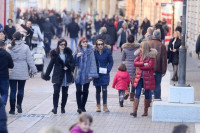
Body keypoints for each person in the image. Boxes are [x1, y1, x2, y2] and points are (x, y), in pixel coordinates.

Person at [8, 32, 37, 114]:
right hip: (22, 70)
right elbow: (29, 60)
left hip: (12, 70)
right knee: (21, 89)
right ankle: (19, 105)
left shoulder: (9, 47)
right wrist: (34, 70)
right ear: (21, 38)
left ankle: (12, 109)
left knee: (13, 90)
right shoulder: (25, 47)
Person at [43, 39, 75, 114]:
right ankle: (55, 107)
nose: (63, 46)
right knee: (56, 91)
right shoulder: (54, 54)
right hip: (57, 75)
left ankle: (63, 107)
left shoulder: (69, 53)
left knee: (65, 93)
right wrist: (46, 75)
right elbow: (50, 65)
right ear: (58, 45)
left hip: (66, 75)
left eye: (64, 44)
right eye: (61, 44)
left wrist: (69, 67)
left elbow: (73, 63)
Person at [130, 42, 157, 117]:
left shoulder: (151, 55)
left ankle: (146, 111)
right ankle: (134, 111)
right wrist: (143, 64)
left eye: (141, 47)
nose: (140, 49)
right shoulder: (140, 54)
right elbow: (135, 63)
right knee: (137, 92)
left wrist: (141, 65)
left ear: (144, 48)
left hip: (148, 77)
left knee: (147, 94)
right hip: (139, 77)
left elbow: (149, 66)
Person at [73, 37, 98, 114]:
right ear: (81, 43)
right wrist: (77, 56)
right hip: (78, 74)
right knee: (78, 90)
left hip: (87, 74)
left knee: (85, 90)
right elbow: (72, 61)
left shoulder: (90, 51)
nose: (85, 43)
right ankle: (79, 107)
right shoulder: (77, 50)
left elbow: (93, 62)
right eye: (83, 42)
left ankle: (83, 106)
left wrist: (92, 74)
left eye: (86, 42)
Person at [93, 39, 113, 112]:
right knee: (98, 90)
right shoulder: (94, 53)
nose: (100, 45)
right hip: (97, 73)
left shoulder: (107, 52)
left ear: (103, 44)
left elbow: (111, 62)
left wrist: (108, 69)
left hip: (105, 73)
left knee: (104, 90)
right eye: (99, 44)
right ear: (96, 45)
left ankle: (105, 106)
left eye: (101, 44)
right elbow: (92, 62)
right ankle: (98, 106)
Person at [148, 30, 167, 100]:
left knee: (149, 84)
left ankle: (148, 99)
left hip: (148, 68)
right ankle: (157, 98)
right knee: (157, 84)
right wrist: (164, 71)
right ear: (159, 36)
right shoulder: (162, 45)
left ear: (153, 35)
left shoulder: (148, 43)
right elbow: (164, 60)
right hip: (158, 68)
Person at [121, 35, 140, 101]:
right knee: (134, 81)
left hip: (127, 65)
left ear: (127, 40)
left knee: (126, 80)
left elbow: (122, 58)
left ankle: (127, 92)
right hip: (135, 65)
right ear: (134, 40)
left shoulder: (124, 48)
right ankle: (132, 96)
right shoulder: (137, 48)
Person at [0, 41, 14, 105]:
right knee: (4, 93)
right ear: (4, 46)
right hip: (4, 76)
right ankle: (2, 108)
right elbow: (11, 66)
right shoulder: (7, 54)